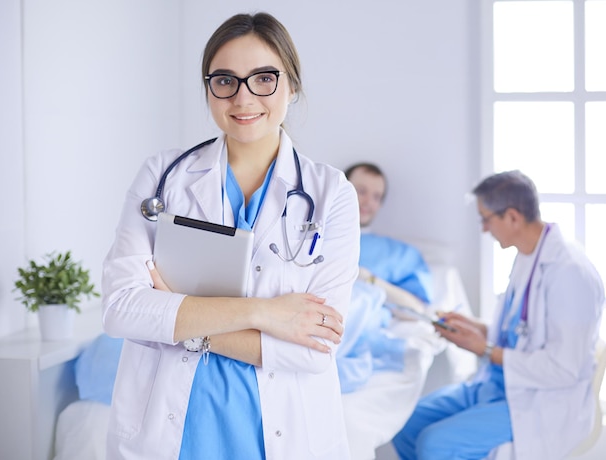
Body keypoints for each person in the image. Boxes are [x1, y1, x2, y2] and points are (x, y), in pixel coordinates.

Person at [101, 12, 360, 460]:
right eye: (225, 80)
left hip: (281, 436)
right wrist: (268, 314)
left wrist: (181, 320)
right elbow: (122, 310)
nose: (243, 97)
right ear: (209, 88)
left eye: (264, 78)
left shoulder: (331, 194)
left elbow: (316, 349)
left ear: (291, 86)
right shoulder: (163, 177)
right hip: (175, 437)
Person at [392, 170, 605, 460]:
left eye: (486, 219)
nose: (483, 229)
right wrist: (473, 328)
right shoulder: (527, 254)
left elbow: (563, 369)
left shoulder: (570, 273)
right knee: (407, 424)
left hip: (541, 401)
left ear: (513, 217)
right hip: (500, 383)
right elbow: (522, 332)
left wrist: (485, 348)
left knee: (434, 445)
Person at [344, 162, 433, 310]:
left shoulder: (401, 254)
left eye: (376, 196)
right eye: (361, 191)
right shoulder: (313, 239)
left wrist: (368, 279)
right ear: (342, 190)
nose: (368, 202)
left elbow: (418, 310)